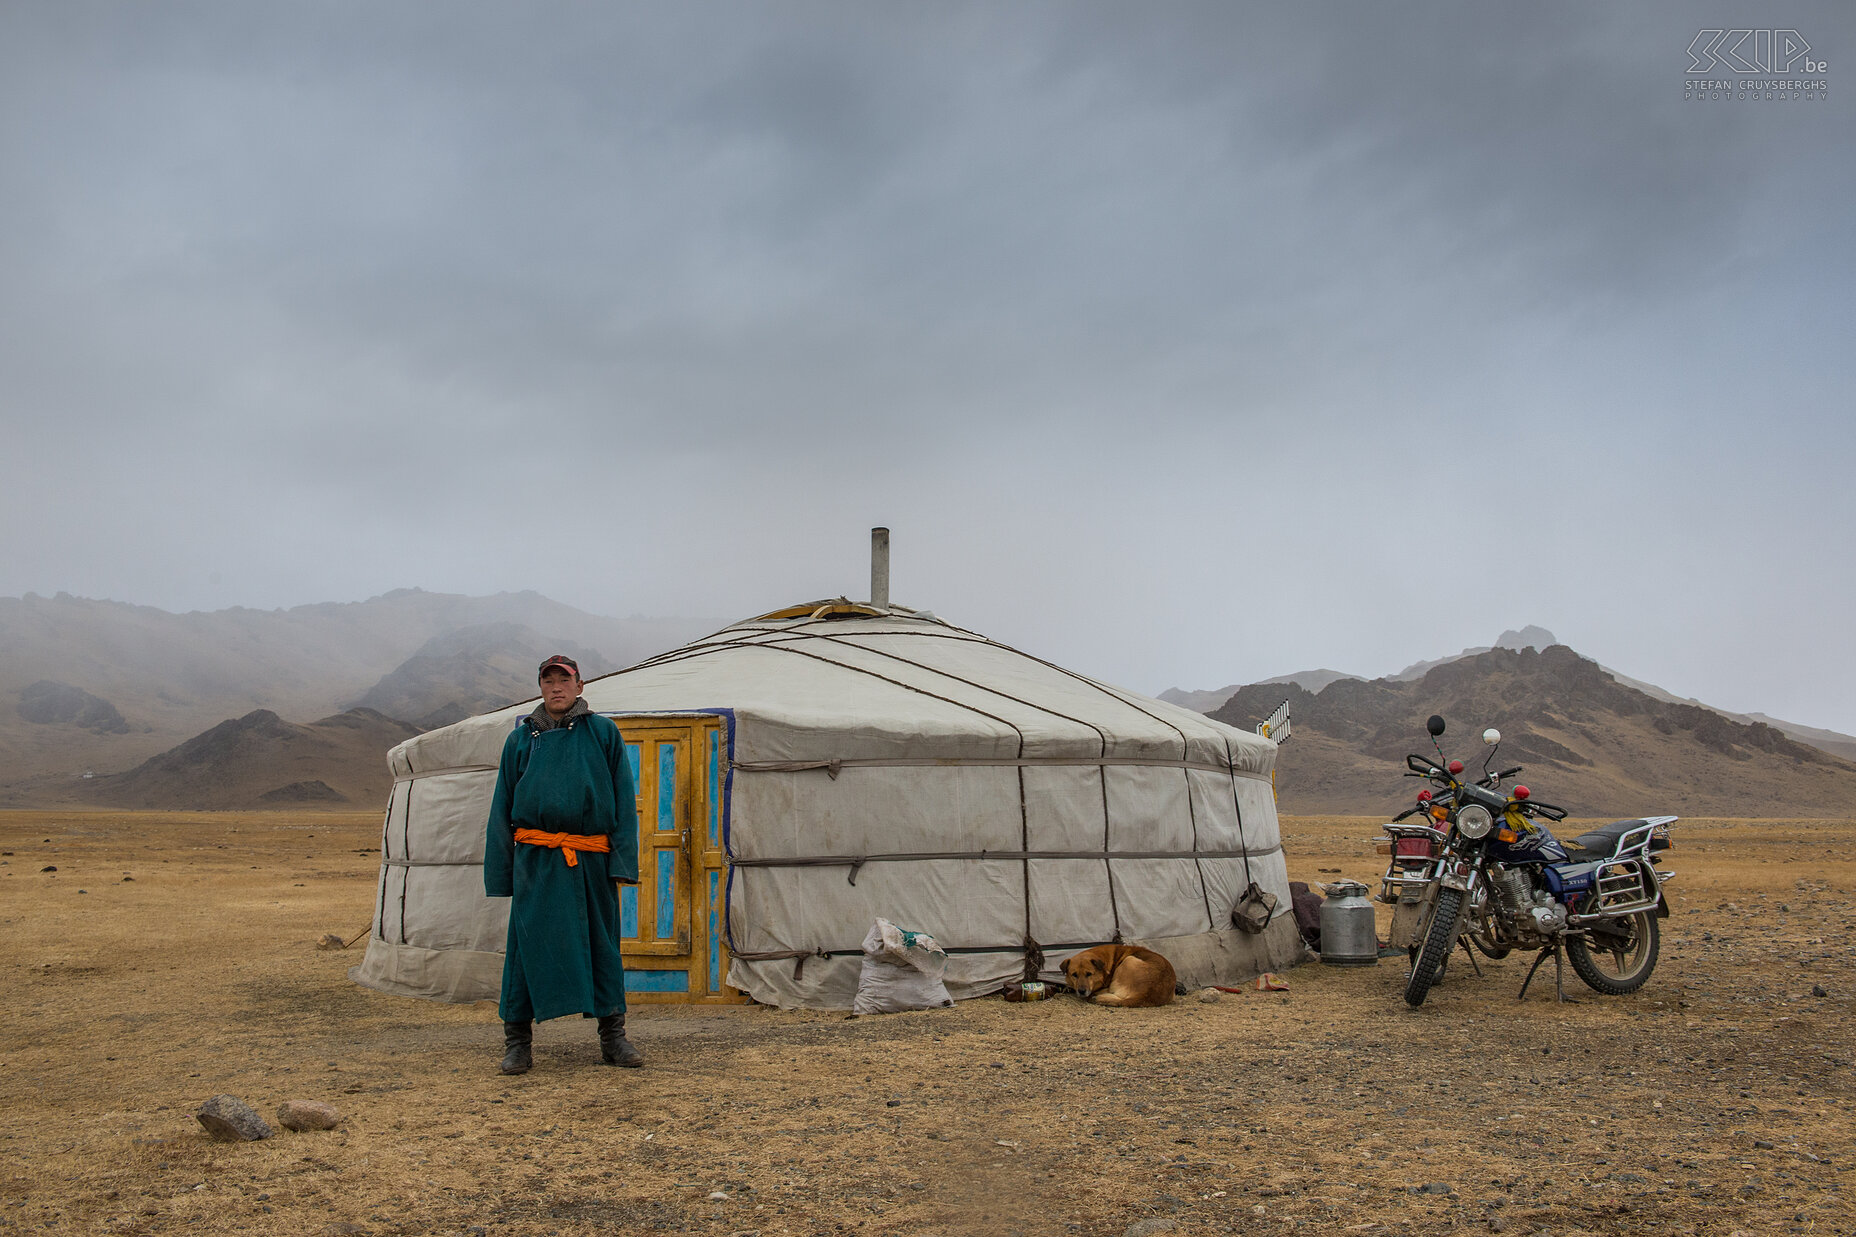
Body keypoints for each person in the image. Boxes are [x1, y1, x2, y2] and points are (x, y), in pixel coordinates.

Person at [483, 654, 642, 1074]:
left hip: (589, 859)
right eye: (548, 680)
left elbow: (625, 801)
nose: (556, 687)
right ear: (540, 687)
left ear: (580, 685)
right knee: (524, 950)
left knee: (602, 947)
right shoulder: (520, 740)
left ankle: (614, 1039)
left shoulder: (603, 732)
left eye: (563, 679)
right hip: (535, 860)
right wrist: (502, 871)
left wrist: (622, 862)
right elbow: (502, 806)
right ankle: (518, 1043)